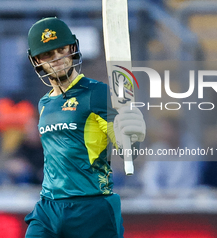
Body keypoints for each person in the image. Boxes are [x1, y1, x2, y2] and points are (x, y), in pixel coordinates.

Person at [24, 17, 146, 238]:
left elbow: (126, 148)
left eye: (61, 50)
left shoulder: (97, 94)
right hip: (49, 207)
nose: (57, 59)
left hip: (91, 206)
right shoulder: (44, 103)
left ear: (72, 48)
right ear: (37, 62)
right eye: (48, 55)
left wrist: (132, 134)